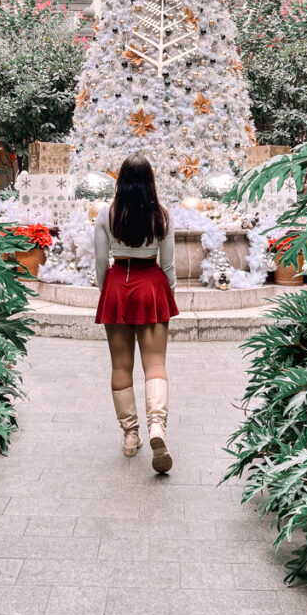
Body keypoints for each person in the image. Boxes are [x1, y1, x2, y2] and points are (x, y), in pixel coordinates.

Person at [94, 153, 178, 473]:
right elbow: (168, 266)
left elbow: (101, 261)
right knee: (155, 364)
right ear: (150, 182)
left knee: (121, 365)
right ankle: (157, 425)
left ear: (121, 182)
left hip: (118, 283)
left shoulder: (107, 214)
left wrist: (108, 292)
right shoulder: (163, 216)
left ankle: (131, 434)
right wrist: (165, 294)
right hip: (151, 284)